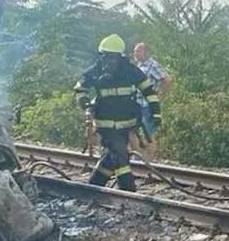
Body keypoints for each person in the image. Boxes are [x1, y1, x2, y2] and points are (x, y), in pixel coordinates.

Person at [73, 34, 161, 192]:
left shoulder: (130, 70)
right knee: (121, 156)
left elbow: (148, 91)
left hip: (126, 125)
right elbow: (80, 89)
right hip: (105, 124)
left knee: (111, 158)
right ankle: (129, 192)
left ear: (121, 57)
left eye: (113, 58)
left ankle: (91, 188)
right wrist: (87, 106)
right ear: (101, 56)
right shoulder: (95, 71)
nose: (109, 62)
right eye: (106, 57)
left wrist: (156, 113)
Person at [130, 42, 172, 161]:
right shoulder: (138, 66)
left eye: (139, 51)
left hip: (147, 105)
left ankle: (149, 162)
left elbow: (167, 79)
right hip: (136, 104)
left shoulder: (153, 65)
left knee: (148, 133)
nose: (136, 54)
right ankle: (136, 157)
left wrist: (159, 96)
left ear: (147, 52)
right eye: (135, 52)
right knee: (132, 131)